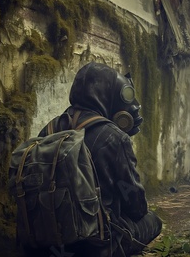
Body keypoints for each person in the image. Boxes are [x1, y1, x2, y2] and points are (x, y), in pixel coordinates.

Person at [33, 62, 162, 256]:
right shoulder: (114, 137)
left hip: (49, 243)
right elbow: (137, 208)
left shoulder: (49, 130)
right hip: (98, 246)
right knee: (153, 221)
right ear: (107, 96)